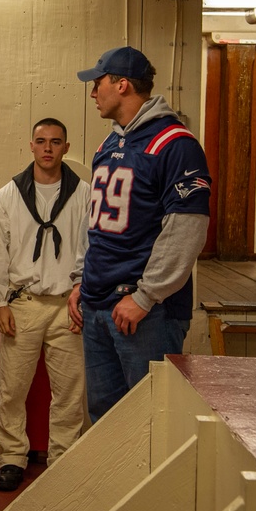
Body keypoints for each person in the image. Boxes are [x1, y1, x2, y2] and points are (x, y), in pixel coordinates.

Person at [68, 46, 211, 422]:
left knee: (150, 422)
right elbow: (95, 222)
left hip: (144, 313)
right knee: (106, 422)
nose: (93, 92)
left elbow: (187, 228)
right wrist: (83, 279)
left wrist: (146, 296)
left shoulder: (176, 145)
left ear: (123, 85)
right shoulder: (110, 144)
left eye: (98, 83)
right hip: (99, 305)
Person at [0, 118, 91, 491]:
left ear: (65, 146)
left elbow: (93, 248)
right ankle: (11, 457)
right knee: (12, 389)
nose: (47, 148)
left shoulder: (83, 194)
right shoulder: (9, 195)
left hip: (67, 304)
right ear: (31, 145)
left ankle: (64, 458)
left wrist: (82, 293)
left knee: (71, 391)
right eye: (41, 141)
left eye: (55, 142)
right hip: (23, 303)